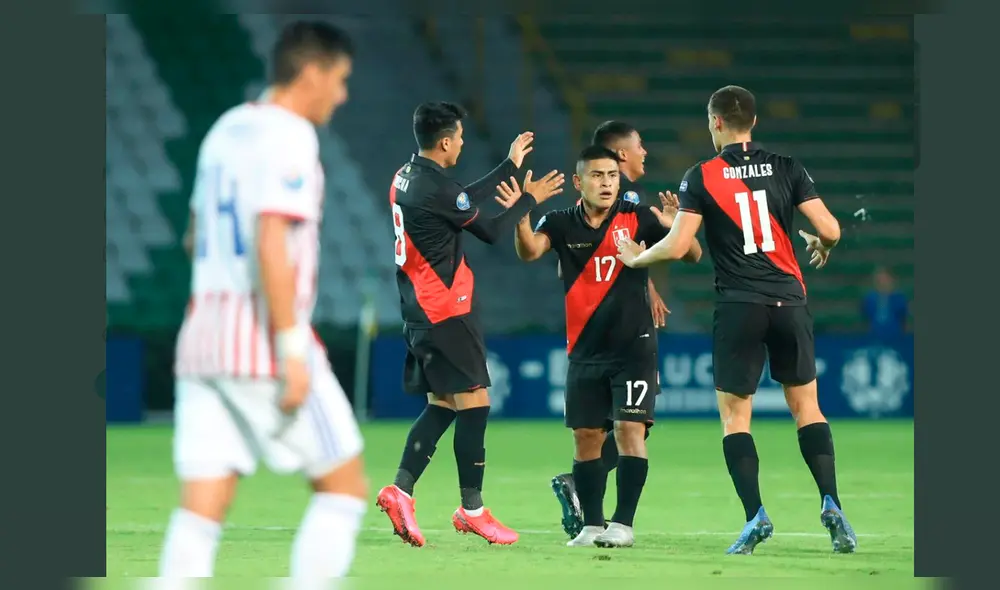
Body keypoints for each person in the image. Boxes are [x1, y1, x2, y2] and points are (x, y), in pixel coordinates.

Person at [615, 85, 858, 555]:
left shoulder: (702, 175)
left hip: (739, 306)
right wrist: (822, 245)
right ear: (754, 121)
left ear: (717, 123)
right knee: (807, 408)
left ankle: (755, 516)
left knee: (735, 416)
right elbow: (830, 229)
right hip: (790, 300)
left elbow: (679, 243)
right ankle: (832, 504)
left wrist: (635, 259)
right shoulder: (789, 166)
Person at [164, 21, 366, 578]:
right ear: (313, 72)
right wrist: (289, 347)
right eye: (341, 79)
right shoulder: (290, 135)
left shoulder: (227, 128)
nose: (343, 95)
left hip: (203, 338)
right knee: (343, 487)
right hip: (262, 341)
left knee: (203, 500)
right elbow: (270, 237)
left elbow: (192, 236)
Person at [376, 101, 565, 547]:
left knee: (443, 402)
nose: (462, 142)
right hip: (445, 308)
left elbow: (458, 199)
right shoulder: (436, 189)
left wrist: (507, 166)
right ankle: (472, 509)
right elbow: (493, 232)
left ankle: (400, 490)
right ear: (445, 142)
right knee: (475, 401)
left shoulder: (407, 176)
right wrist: (530, 199)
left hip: (417, 307)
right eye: (459, 137)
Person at [514, 145, 701, 548]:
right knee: (586, 437)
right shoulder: (561, 223)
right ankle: (592, 525)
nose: (606, 183)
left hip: (633, 349)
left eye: (613, 176)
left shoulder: (638, 217)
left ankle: (623, 524)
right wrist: (522, 211)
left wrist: (675, 226)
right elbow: (530, 251)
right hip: (584, 350)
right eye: (597, 176)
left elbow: (693, 254)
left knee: (629, 430)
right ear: (579, 182)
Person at [549, 121, 679, 539]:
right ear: (619, 157)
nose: (644, 152)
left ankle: (611, 515)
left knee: (629, 427)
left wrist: (647, 283)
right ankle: (586, 501)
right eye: (639, 146)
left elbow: (630, 250)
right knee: (611, 430)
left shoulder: (634, 208)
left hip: (629, 338)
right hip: (595, 339)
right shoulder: (615, 202)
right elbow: (602, 256)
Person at [861, 266, 909, 339]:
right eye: (879, 280)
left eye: (885, 279)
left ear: (891, 280)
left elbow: (902, 317)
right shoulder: (870, 298)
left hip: (894, 334)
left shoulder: (899, 298)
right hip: (875, 334)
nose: (882, 283)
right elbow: (866, 315)